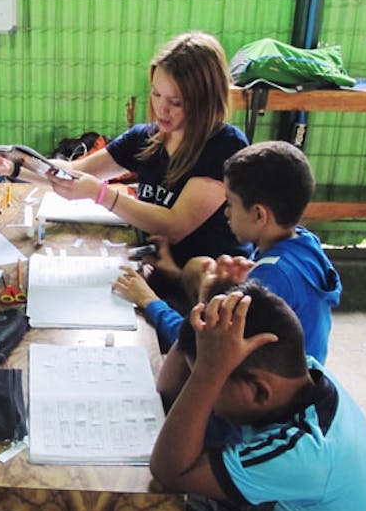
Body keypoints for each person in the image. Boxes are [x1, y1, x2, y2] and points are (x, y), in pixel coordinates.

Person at [0, 31, 250, 296]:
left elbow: (174, 226)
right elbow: (73, 173)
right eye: (156, 94)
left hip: (205, 288)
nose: (162, 109)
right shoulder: (147, 137)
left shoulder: (225, 146)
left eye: (176, 102)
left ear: (205, 100)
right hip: (156, 268)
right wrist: (15, 164)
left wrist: (101, 194)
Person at [149, 282, 366, 511]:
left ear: (259, 391)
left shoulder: (302, 451)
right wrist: (206, 314)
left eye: (211, 385)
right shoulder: (304, 371)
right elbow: (169, 388)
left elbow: (170, 472)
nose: (205, 396)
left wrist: (207, 374)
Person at [123, 141, 340, 364]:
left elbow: (203, 351)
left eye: (230, 203)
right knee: (198, 267)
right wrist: (178, 274)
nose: (226, 212)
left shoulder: (270, 278)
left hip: (271, 393)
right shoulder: (303, 243)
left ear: (258, 215)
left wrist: (148, 300)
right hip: (293, 376)